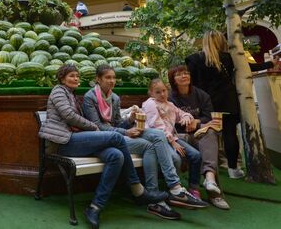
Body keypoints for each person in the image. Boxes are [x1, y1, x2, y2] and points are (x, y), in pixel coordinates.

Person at [39, 65, 167, 228]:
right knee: (116, 137)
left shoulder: (72, 95)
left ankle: (95, 207)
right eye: (71, 76)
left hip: (76, 139)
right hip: (62, 143)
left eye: (78, 76)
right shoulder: (59, 91)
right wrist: (95, 128)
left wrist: (127, 121)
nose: (76, 78)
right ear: (62, 78)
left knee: (116, 156)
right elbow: (69, 116)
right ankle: (138, 190)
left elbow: (109, 122)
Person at [82, 65, 207, 220]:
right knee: (157, 136)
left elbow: (117, 123)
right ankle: (174, 188)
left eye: (114, 77)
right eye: (108, 78)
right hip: (103, 141)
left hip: (120, 136)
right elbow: (97, 127)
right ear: (98, 79)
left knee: (154, 140)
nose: (112, 81)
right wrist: (126, 131)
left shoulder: (114, 97)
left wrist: (130, 120)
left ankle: (155, 198)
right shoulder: (90, 97)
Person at [185, 30, 273, 179]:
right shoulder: (229, 58)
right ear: (221, 42)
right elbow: (250, 67)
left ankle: (204, 170)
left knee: (203, 134)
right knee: (229, 133)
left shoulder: (193, 59)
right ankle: (233, 169)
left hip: (205, 103)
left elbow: (191, 83)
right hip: (227, 101)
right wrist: (271, 63)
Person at [168, 65, 230, 209]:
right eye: (179, 74)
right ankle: (209, 187)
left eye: (186, 73)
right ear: (173, 80)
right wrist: (186, 122)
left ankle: (210, 181)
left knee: (209, 132)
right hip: (180, 136)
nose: (184, 76)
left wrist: (197, 121)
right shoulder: (170, 97)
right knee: (208, 144)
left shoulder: (202, 95)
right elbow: (167, 121)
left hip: (198, 134)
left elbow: (209, 116)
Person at [142, 79, 203, 198]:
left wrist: (186, 117)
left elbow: (181, 113)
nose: (162, 94)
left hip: (172, 138)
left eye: (164, 91)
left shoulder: (169, 104)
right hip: (160, 139)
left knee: (196, 156)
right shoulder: (150, 104)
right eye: (158, 92)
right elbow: (157, 126)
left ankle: (193, 187)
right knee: (176, 159)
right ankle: (172, 189)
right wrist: (173, 142)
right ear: (151, 93)